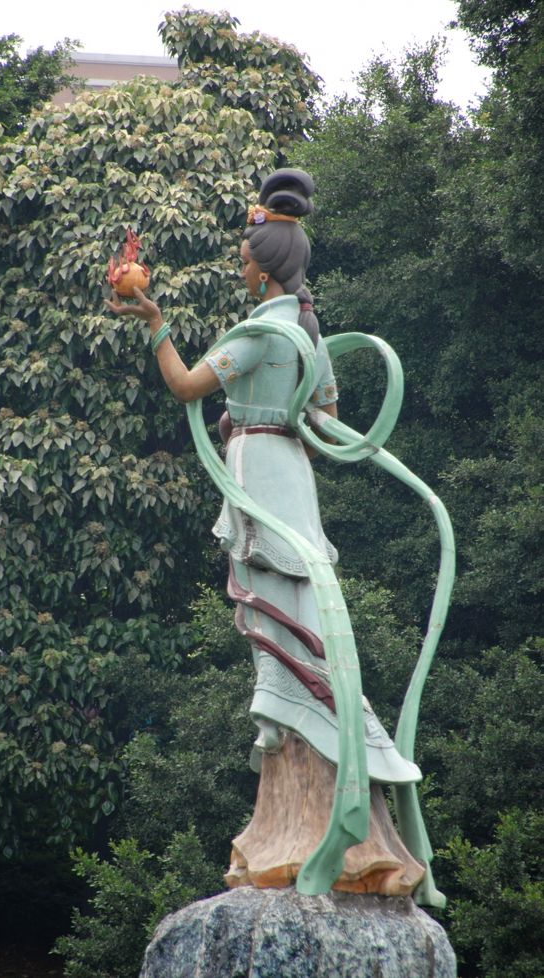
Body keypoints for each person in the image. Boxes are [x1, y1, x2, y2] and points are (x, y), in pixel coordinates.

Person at [106, 168, 425, 895]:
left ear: (263, 267)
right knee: (297, 607)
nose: (240, 267)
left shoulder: (256, 334)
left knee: (278, 610)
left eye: (244, 258)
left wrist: (154, 322)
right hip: (291, 472)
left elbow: (185, 386)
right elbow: (329, 427)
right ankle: (316, 771)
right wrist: (282, 414)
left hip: (257, 469)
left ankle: (308, 761)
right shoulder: (307, 337)